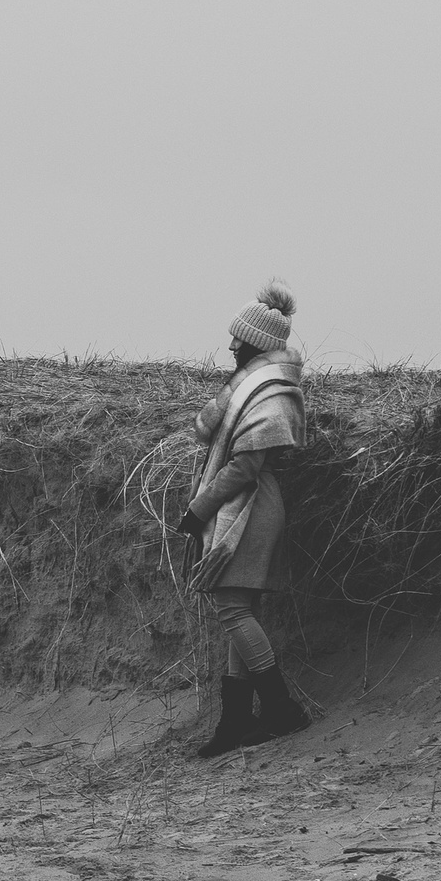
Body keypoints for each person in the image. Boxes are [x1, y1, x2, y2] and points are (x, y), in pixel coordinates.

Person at [176, 285, 308, 757]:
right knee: (239, 610)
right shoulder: (257, 385)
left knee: (231, 609)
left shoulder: (271, 390)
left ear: (258, 344)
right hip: (249, 506)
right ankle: (234, 722)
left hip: (251, 508)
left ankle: (280, 709)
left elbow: (245, 467)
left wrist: (197, 510)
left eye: (240, 340)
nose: (231, 347)